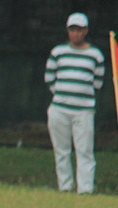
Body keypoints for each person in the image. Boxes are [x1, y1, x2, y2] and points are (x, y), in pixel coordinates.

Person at [45, 12, 105, 194]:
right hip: (59, 109)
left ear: (85, 31)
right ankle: (65, 186)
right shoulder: (58, 52)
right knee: (61, 150)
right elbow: (49, 78)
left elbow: (98, 82)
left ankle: (85, 189)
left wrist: (81, 95)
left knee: (84, 150)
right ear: (68, 30)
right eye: (72, 30)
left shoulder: (95, 54)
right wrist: (64, 95)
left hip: (84, 111)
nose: (76, 33)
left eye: (79, 30)